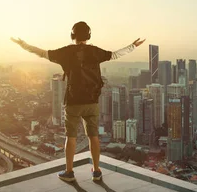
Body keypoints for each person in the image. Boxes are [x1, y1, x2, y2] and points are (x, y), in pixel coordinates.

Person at [11, 21, 145, 182]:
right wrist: (133, 46)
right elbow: (116, 54)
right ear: (88, 36)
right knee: (93, 136)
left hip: (73, 102)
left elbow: (42, 53)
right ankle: (96, 171)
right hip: (92, 102)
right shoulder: (95, 51)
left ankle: (69, 172)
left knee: (71, 137)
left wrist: (23, 44)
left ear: (72, 35)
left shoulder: (66, 52)